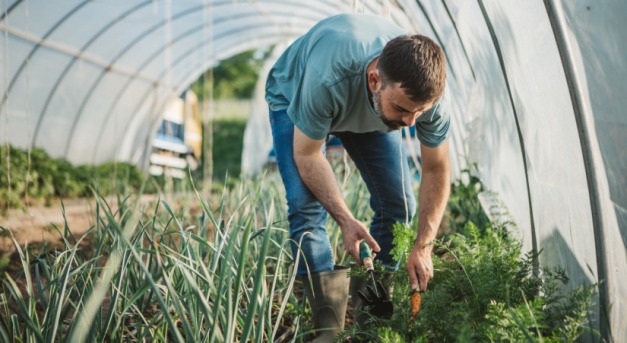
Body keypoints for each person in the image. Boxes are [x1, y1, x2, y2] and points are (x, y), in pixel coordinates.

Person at [265, 12, 450, 341]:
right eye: (403, 109)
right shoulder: (328, 77)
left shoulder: (427, 100)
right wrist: (347, 220)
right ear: (375, 80)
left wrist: (423, 245)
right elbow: (307, 155)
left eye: (418, 113)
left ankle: (371, 323)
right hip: (294, 96)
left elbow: (436, 168)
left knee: (398, 207)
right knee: (305, 208)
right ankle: (327, 330)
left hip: (371, 111)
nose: (410, 123)